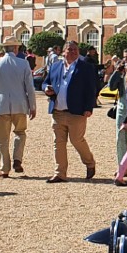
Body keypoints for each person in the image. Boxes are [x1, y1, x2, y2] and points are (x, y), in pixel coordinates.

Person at [45, 40, 98, 183]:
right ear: (64, 52)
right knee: (58, 143)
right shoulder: (55, 66)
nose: (73, 52)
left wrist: (88, 108)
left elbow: (91, 89)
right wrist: (46, 89)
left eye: (75, 49)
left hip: (76, 111)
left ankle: (90, 163)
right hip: (57, 110)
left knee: (77, 140)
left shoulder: (85, 67)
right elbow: (46, 81)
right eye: (70, 49)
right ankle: (60, 173)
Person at [0, 39, 36, 178]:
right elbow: (30, 88)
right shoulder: (23, 63)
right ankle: (17, 159)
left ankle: (4, 168)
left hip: (1, 105)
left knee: (2, 139)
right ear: (15, 48)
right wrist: (32, 106)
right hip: (20, 104)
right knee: (20, 132)